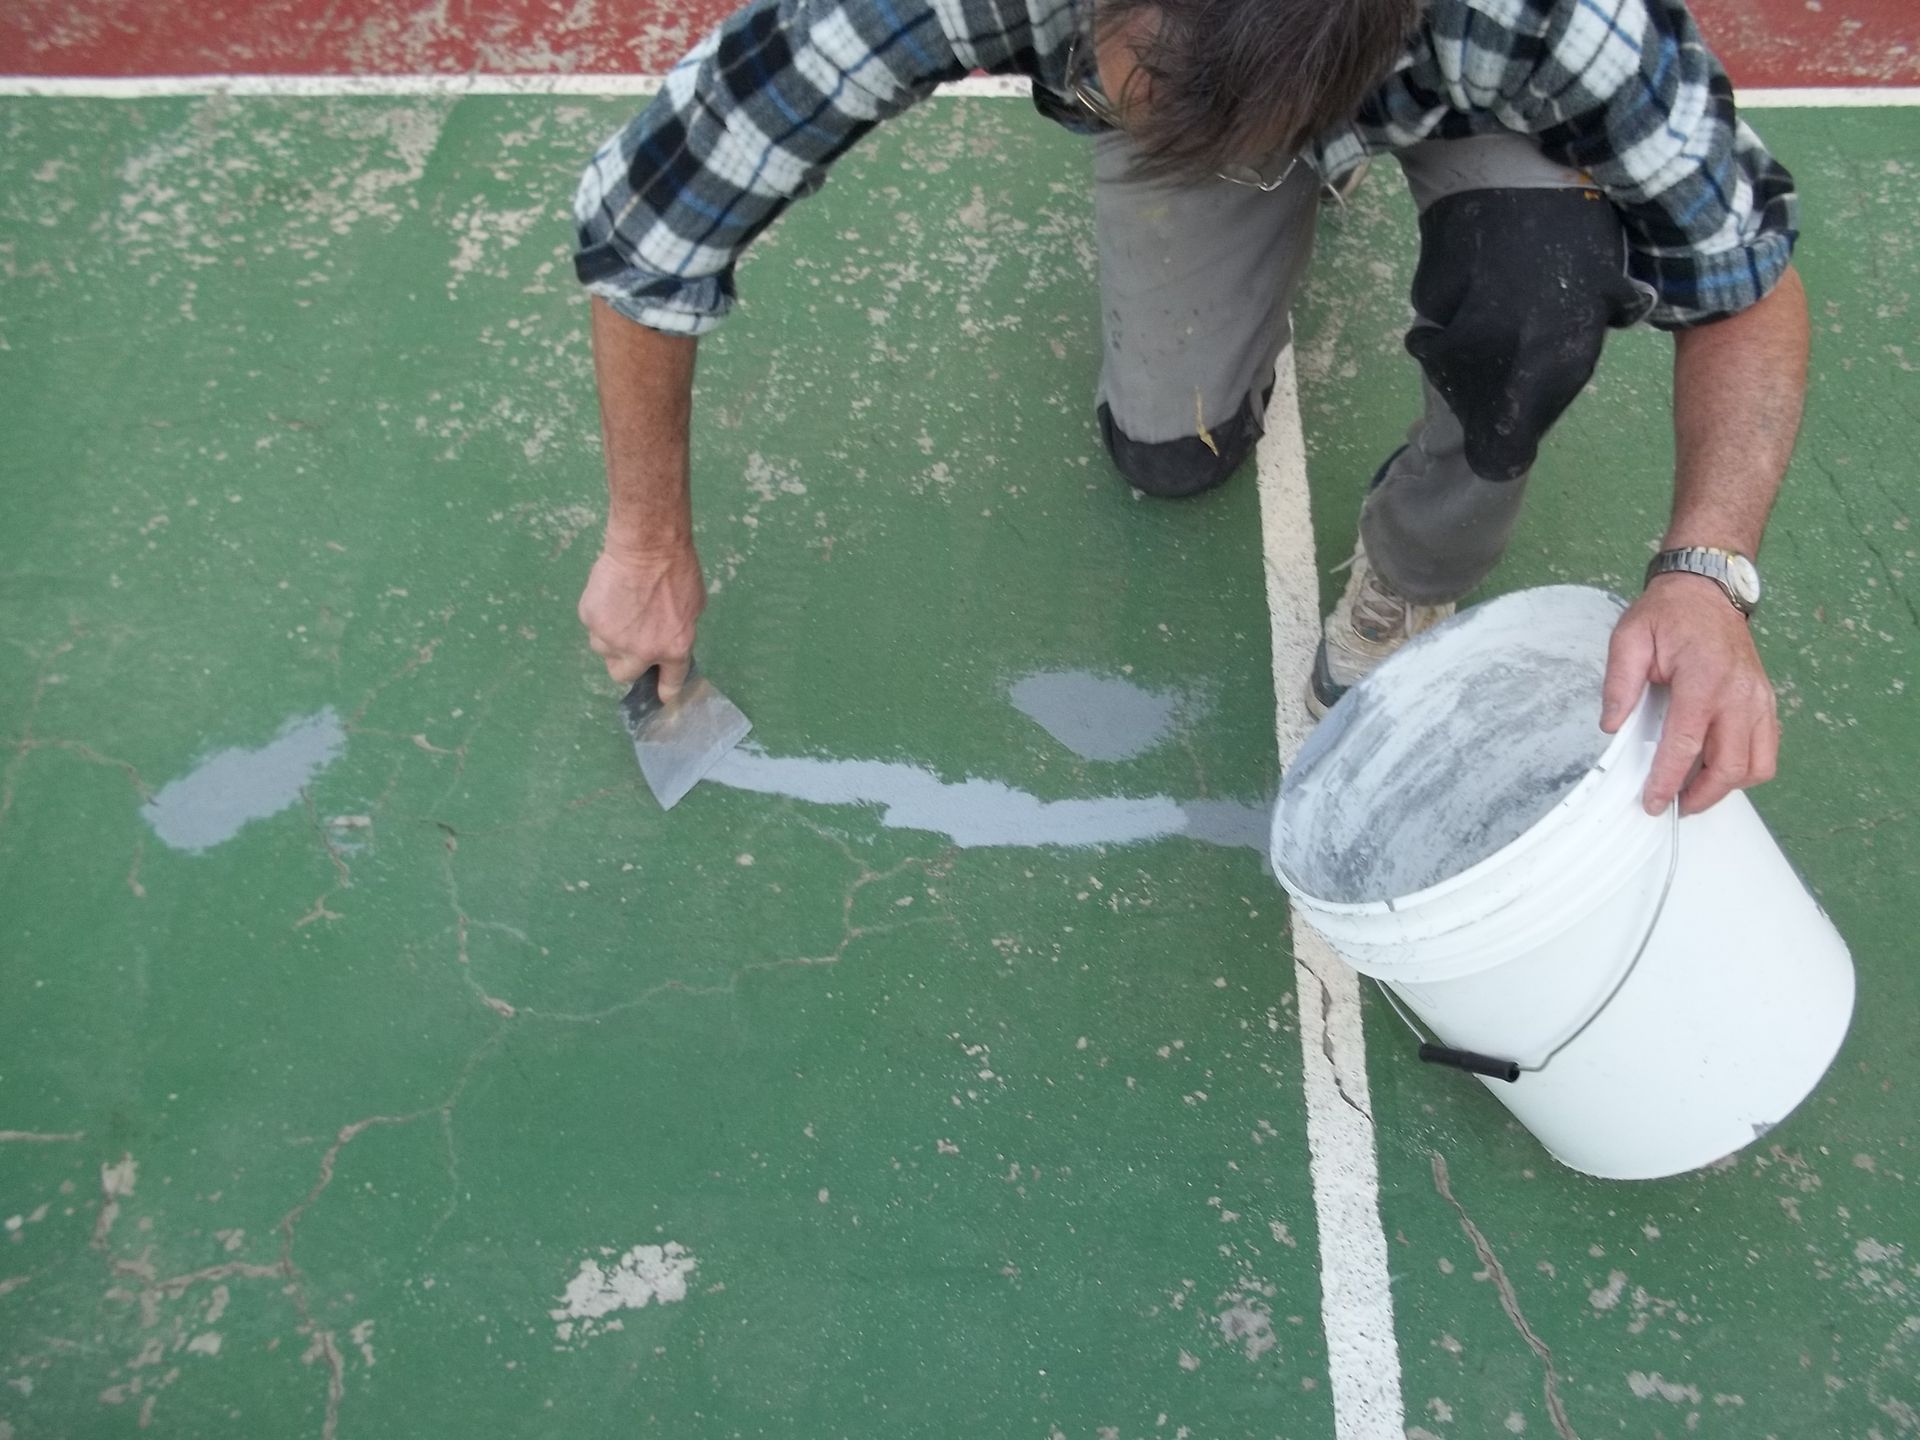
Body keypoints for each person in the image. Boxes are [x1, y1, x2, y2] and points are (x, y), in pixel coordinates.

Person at [572, 0, 1805, 818]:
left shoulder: (1553, 19)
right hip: (1243, 81)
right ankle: (1202, 166)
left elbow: (1742, 275)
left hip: (1467, 95)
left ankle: (1414, 564)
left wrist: (1705, 570)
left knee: (1536, 298)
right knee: (1167, 450)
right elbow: (656, 221)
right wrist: (644, 539)